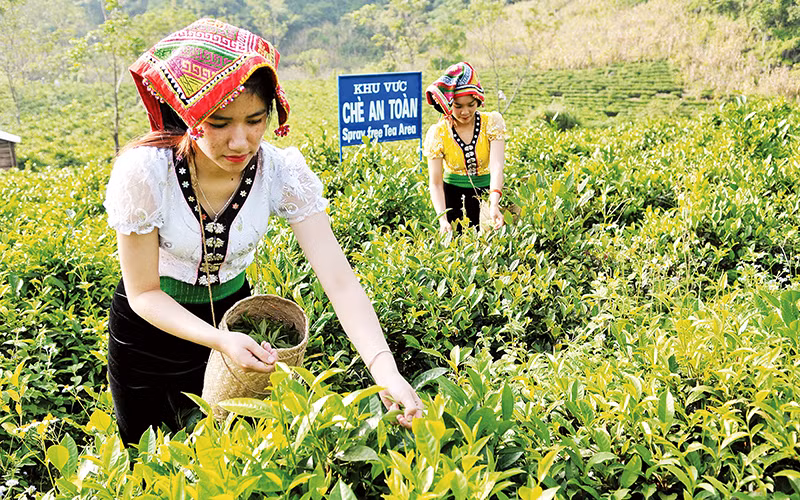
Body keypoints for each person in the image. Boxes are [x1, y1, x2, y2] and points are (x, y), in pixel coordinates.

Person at [103, 18, 422, 445]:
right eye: (220, 123)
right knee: (148, 456)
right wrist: (219, 341)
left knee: (232, 452)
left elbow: (340, 282)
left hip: (237, 322)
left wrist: (386, 371)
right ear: (189, 115)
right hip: (149, 334)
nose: (240, 142)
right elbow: (143, 293)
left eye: (255, 120)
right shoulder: (146, 172)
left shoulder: (280, 171)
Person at [423, 62, 507, 233]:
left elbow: (497, 167)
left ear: (478, 101)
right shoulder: (439, 132)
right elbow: (436, 183)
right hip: (452, 198)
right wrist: (442, 219)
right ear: (449, 104)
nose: (465, 112)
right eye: (458, 106)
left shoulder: (491, 123)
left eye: (471, 104)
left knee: (490, 240)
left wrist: (494, 202)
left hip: (489, 193)